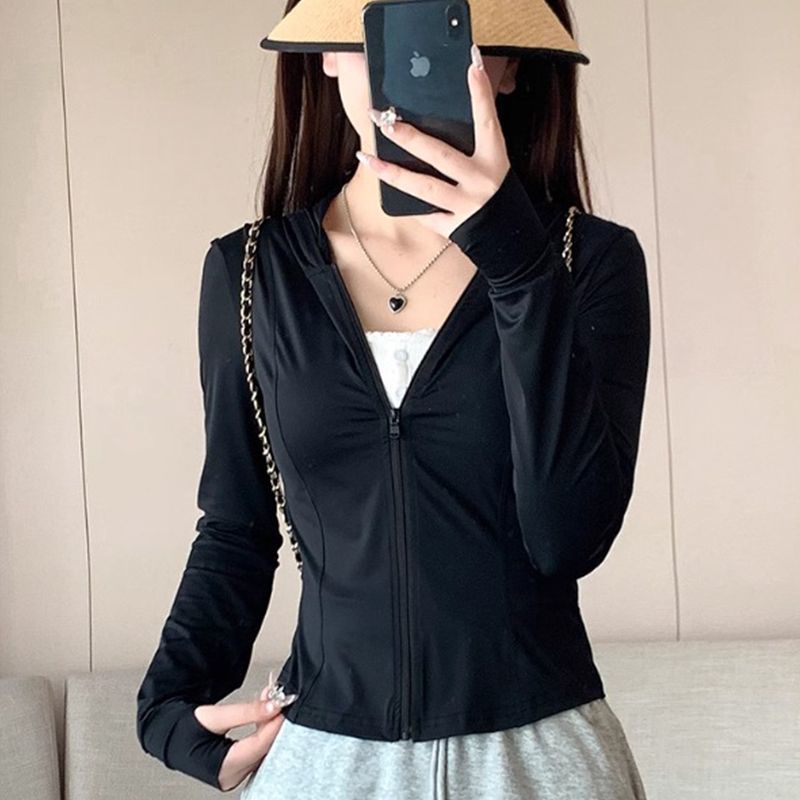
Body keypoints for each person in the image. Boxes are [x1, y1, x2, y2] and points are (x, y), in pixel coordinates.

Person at [136, 1, 651, 797]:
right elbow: (237, 528)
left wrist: (519, 267)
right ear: (327, 53)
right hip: (326, 760)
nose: (408, 64)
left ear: (509, 67)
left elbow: (568, 538)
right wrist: (168, 709)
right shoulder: (250, 274)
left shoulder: (587, 262)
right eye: (380, 27)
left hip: (537, 761)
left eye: (452, 30)